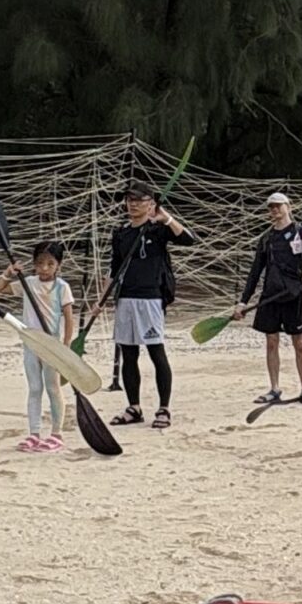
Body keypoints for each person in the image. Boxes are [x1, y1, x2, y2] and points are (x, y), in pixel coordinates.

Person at [105, 181, 197, 429]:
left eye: (139, 199)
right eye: (129, 199)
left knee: (156, 352)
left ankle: (164, 408)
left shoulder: (157, 230)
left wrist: (165, 218)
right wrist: (101, 299)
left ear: (150, 203)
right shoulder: (121, 233)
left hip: (151, 297)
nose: (133, 204)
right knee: (128, 353)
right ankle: (133, 407)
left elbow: (189, 239)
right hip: (125, 297)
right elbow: (114, 268)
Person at [235, 191, 302, 406]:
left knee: (299, 343)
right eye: (271, 207)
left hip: (293, 294)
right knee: (271, 342)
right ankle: (274, 388)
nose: (274, 210)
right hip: (270, 296)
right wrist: (243, 301)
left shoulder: (301, 232)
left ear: (288, 207)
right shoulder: (266, 239)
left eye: (278, 206)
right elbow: (255, 272)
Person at [0, 240, 76, 451]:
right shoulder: (28, 282)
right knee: (35, 389)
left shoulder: (62, 288)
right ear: (34, 264)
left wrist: (65, 346)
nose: (44, 269)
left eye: (50, 264)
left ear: (59, 265)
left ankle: (56, 434)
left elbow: (68, 318)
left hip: (52, 345)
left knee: (53, 388)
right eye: (39, 263)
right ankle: (34, 434)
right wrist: (9, 272)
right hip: (31, 343)